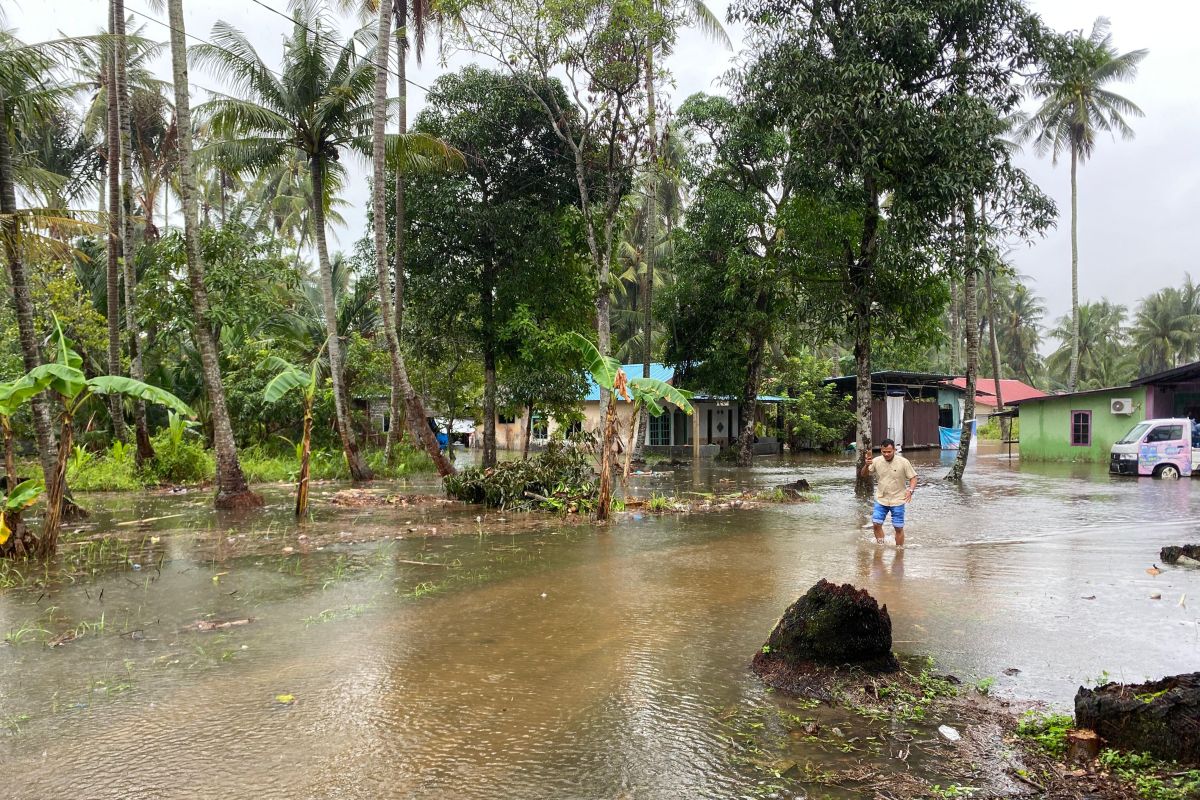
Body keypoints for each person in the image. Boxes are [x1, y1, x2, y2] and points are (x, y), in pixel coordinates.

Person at [859, 438, 917, 547]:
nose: (886, 454)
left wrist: (910, 490)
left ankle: (899, 550)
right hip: (881, 499)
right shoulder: (876, 461)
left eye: (889, 452)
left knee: (898, 527)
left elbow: (913, 478)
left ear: (894, 450)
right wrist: (866, 465)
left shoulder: (903, 462)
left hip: (898, 499)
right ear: (881, 451)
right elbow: (863, 474)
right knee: (876, 524)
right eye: (884, 452)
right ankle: (880, 546)